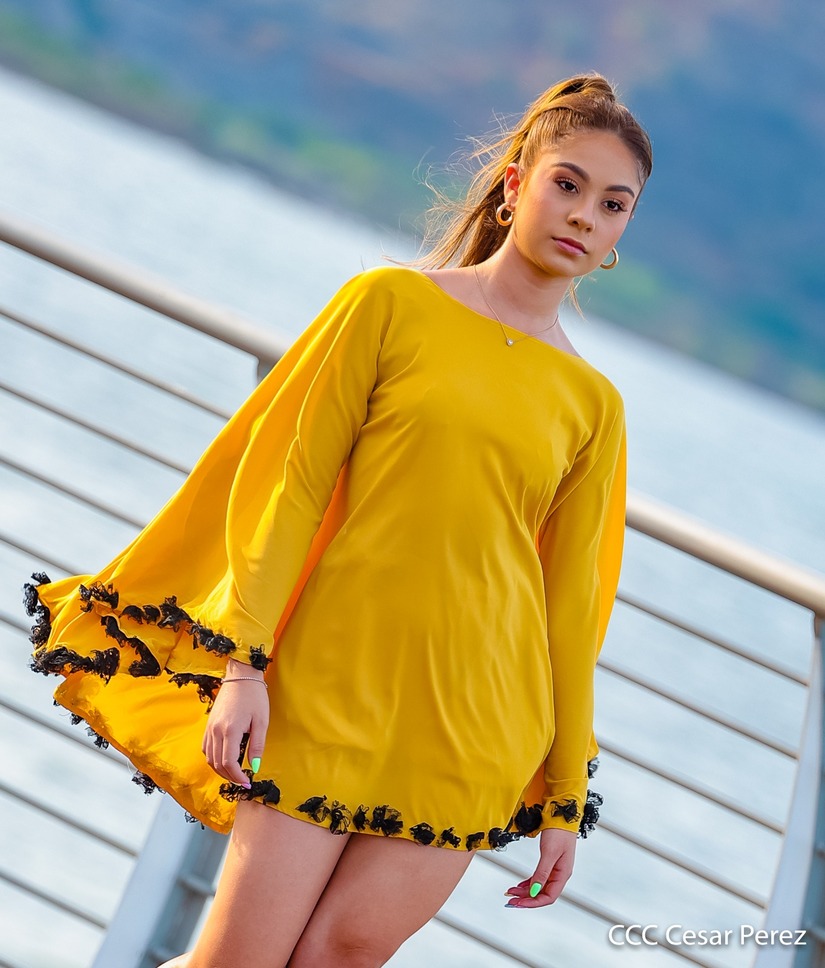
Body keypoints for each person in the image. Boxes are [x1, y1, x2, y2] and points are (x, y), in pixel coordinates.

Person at [24, 72, 652, 967]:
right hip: (325, 693)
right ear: (515, 185)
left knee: (341, 956)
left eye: (612, 204)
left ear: (623, 230)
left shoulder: (594, 405)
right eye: (567, 184)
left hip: (475, 727)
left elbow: (570, 611)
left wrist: (561, 794)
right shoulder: (388, 304)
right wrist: (243, 667)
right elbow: (293, 487)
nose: (584, 215)